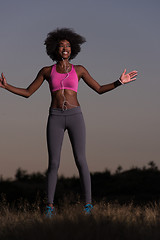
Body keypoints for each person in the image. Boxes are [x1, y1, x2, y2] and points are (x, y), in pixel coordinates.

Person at [0, 28, 137, 217]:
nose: (65, 48)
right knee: (54, 163)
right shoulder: (46, 71)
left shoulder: (79, 70)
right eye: (62, 45)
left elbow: (98, 88)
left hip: (75, 116)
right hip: (55, 117)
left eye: (68, 46)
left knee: (81, 160)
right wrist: (6, 87)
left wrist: (119, 82)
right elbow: (28, 92)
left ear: (72, 50)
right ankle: (49, 207)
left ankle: (88, 205)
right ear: (55, 49)